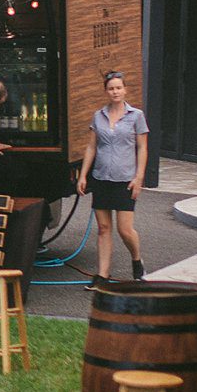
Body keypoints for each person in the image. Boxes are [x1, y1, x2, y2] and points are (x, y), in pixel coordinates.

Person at [76, 69, 149, 281]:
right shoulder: (98, 116)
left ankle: (137, 260)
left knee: (124, 229)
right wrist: (83, 175)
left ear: (125, 90)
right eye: (111, 89)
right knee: (103, 228)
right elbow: (91, 147)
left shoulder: (136, 116)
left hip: (125, 178)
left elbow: (143, 148)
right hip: (101, 178)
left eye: (118, 88)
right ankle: (102, 275)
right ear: (106, 91)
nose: (115, 92)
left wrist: (139, 177)